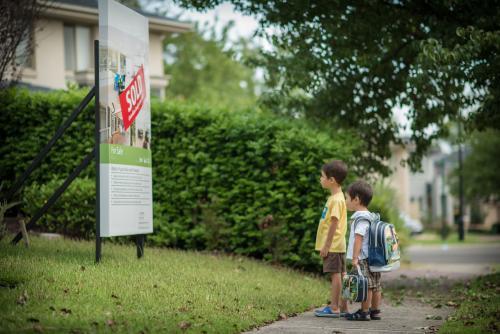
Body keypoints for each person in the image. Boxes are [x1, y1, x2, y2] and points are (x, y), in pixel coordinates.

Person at [314, 160, 349, 318]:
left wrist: (326, 245)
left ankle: (334, 307)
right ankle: (343, 306)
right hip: (338, 245)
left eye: (322, 176)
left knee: (335, 275)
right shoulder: (338, 197)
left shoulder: (335, 200)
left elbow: (334, 223)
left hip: (333, 245)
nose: (320, 179)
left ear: (331, 180)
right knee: (341, 274)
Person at [345, 180, 382, 321]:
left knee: (367, 285)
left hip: (363, 257)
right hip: (374, 257)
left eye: (347, 198)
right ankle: (375, 311)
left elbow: (358, 240)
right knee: (376, 284)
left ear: (356, 199)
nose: (346, 201)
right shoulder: (371, 216)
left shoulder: (360, 219)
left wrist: (355, 258)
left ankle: (364, 312)